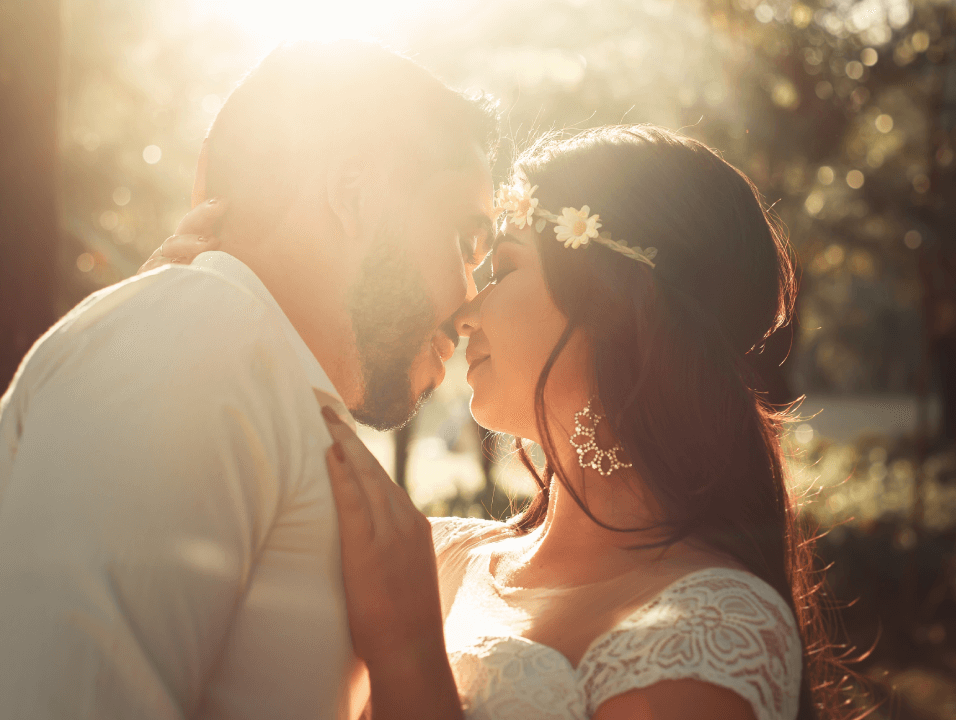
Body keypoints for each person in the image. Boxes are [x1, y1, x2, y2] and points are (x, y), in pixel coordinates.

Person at [163, 125, 859, 719]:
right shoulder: (429, 557)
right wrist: (182, 317)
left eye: (504, 268)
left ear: (614, 308)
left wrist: (409, 654)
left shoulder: (714, 624)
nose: (466, 310)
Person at [0, 40, 497, 719]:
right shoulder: (189, 340)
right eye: (466, 244)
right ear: (353, 192)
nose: (474, 300)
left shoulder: (236, 362)